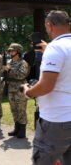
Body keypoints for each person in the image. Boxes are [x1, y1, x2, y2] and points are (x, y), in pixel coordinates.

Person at [23, 11, 71, 164]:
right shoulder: (57, 47)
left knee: (44, 160)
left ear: (49, 26)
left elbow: (46, 86)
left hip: (57, 119)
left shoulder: (55, 48)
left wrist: (28, 92)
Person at [3, 43, 30, 138]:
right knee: (13, 108)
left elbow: (22, 75)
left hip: (20, 87)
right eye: (10, 51)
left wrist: (10, 70)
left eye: (12, 51)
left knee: (21, 109)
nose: (10, 52)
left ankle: (22, 130)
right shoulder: (10, 62)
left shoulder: (23, 63)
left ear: (18, 52)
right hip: (11, 87)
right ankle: (17, 128)